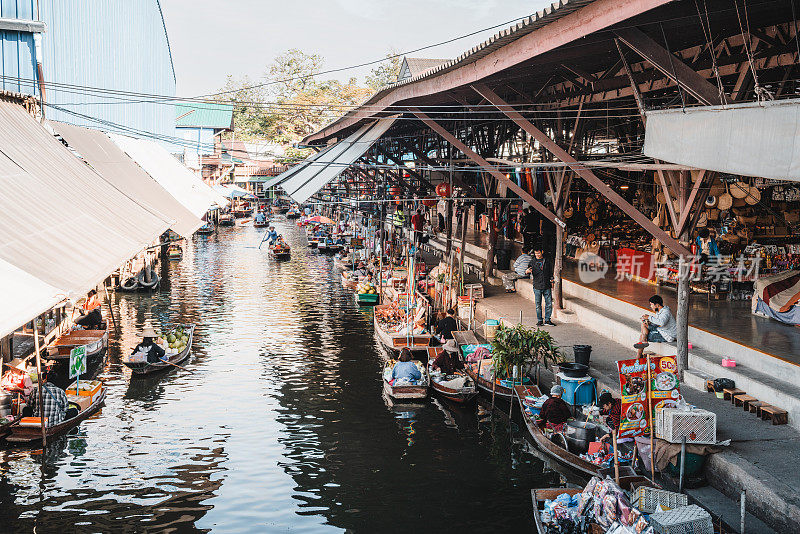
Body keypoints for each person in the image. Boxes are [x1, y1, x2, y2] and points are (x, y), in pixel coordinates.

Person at [527, 246, 554, 326]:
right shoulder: (532, 262)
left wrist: (552, 280)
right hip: (537, 286)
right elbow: (528, 269)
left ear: (542, 252)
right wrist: (527, 271)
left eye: (538, 253)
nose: (537, 255)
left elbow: (550, 272)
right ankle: (539, 320)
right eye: (535, 253)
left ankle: (547, 320)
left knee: (549, 303)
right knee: (538, 305)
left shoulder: (547, 260)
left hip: (547, 285)